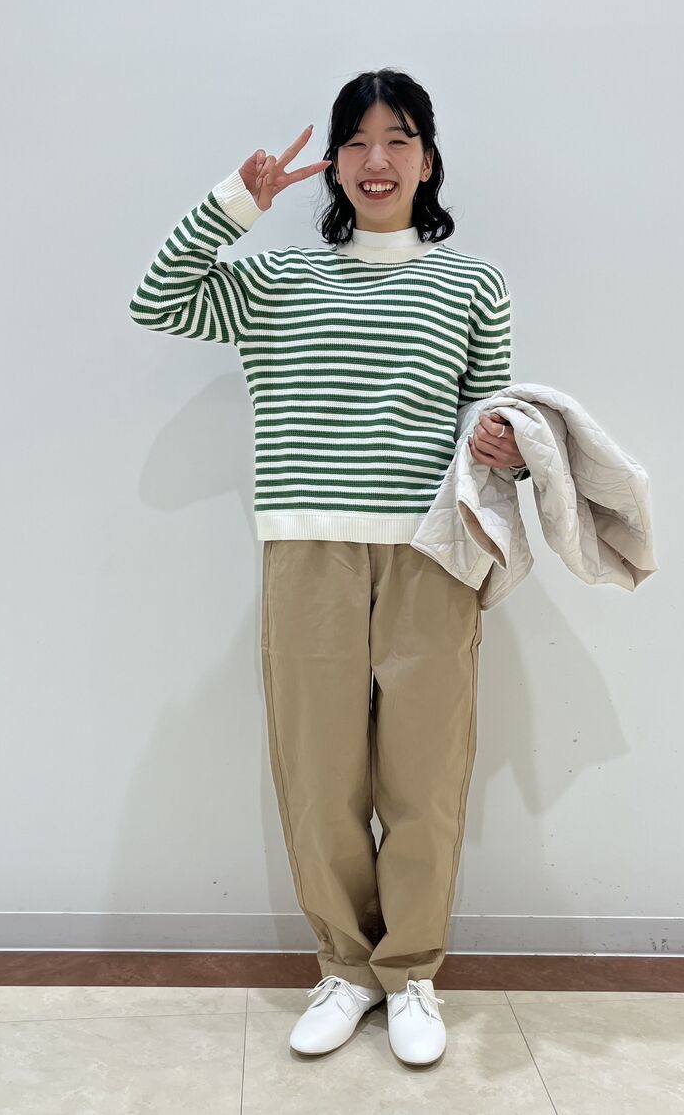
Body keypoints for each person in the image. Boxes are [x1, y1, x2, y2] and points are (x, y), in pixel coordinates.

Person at [128, 68, 527, 1066]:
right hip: (306, 553)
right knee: (318, 776)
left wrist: (504, 445)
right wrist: (238, 201)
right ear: (337, 164)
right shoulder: (276, 280)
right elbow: (156, 299)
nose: (375, 160)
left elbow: (491, 421)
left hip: (433, 553)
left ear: (428, 160)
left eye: (398, 140)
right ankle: (345, 970)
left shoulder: (473, 284)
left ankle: (412, 974)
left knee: (426, 777)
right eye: (356, 142)